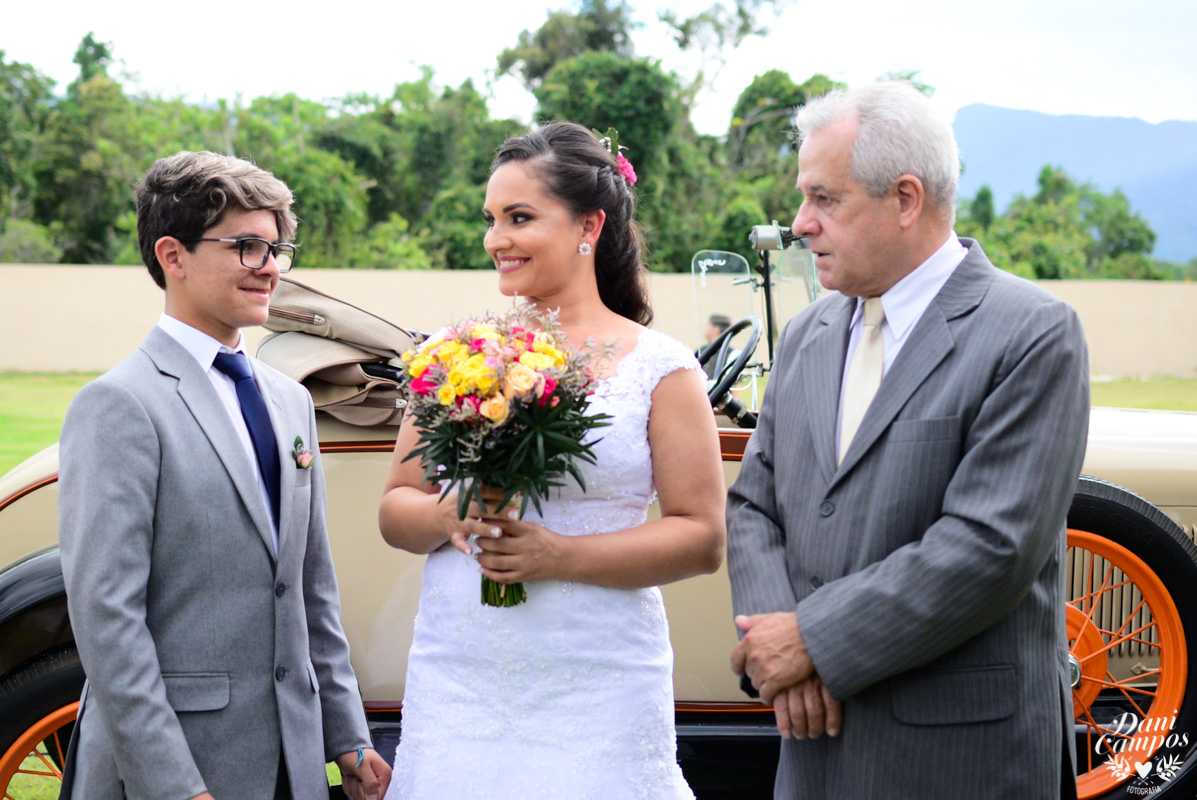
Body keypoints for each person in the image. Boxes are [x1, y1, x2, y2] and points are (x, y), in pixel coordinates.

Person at [726, 82, 1089, 799]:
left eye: (824, 200)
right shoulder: (806, 334)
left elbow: (990, 545)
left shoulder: (1031, 332)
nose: (800, 224)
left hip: (958, 759)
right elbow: (753, 506)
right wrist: (777, 648)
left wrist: (811, 643)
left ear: (905, 199)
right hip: (812, 751)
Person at [378, 122, 726, 798]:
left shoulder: (660, 366)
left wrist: (558, 557)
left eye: (518, 217)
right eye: (490, 219)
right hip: (460, 679)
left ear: (587, 225)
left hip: (597, 682)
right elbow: (396, 510)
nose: (494, 240)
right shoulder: (453, 356)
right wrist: (459, 509)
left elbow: (701, 538)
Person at [58, 151, 391, 800]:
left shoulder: (290, 399)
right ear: (172, 256)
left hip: (288, 765)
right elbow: (106, 618)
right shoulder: (118, 404)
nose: (270, 267)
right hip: (172, 769)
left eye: (276, 247)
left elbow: (307, 585)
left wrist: (346, 737)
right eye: (245, 246)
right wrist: (175, 785)